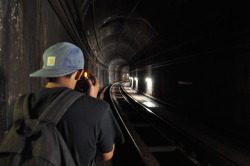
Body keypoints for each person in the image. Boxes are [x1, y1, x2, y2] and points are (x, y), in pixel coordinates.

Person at [7, 42, 124, 166]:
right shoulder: (99, 109)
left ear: (47, 72)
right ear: (79, 74)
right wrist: (92, 100)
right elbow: (107, 155)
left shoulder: (17, 106)